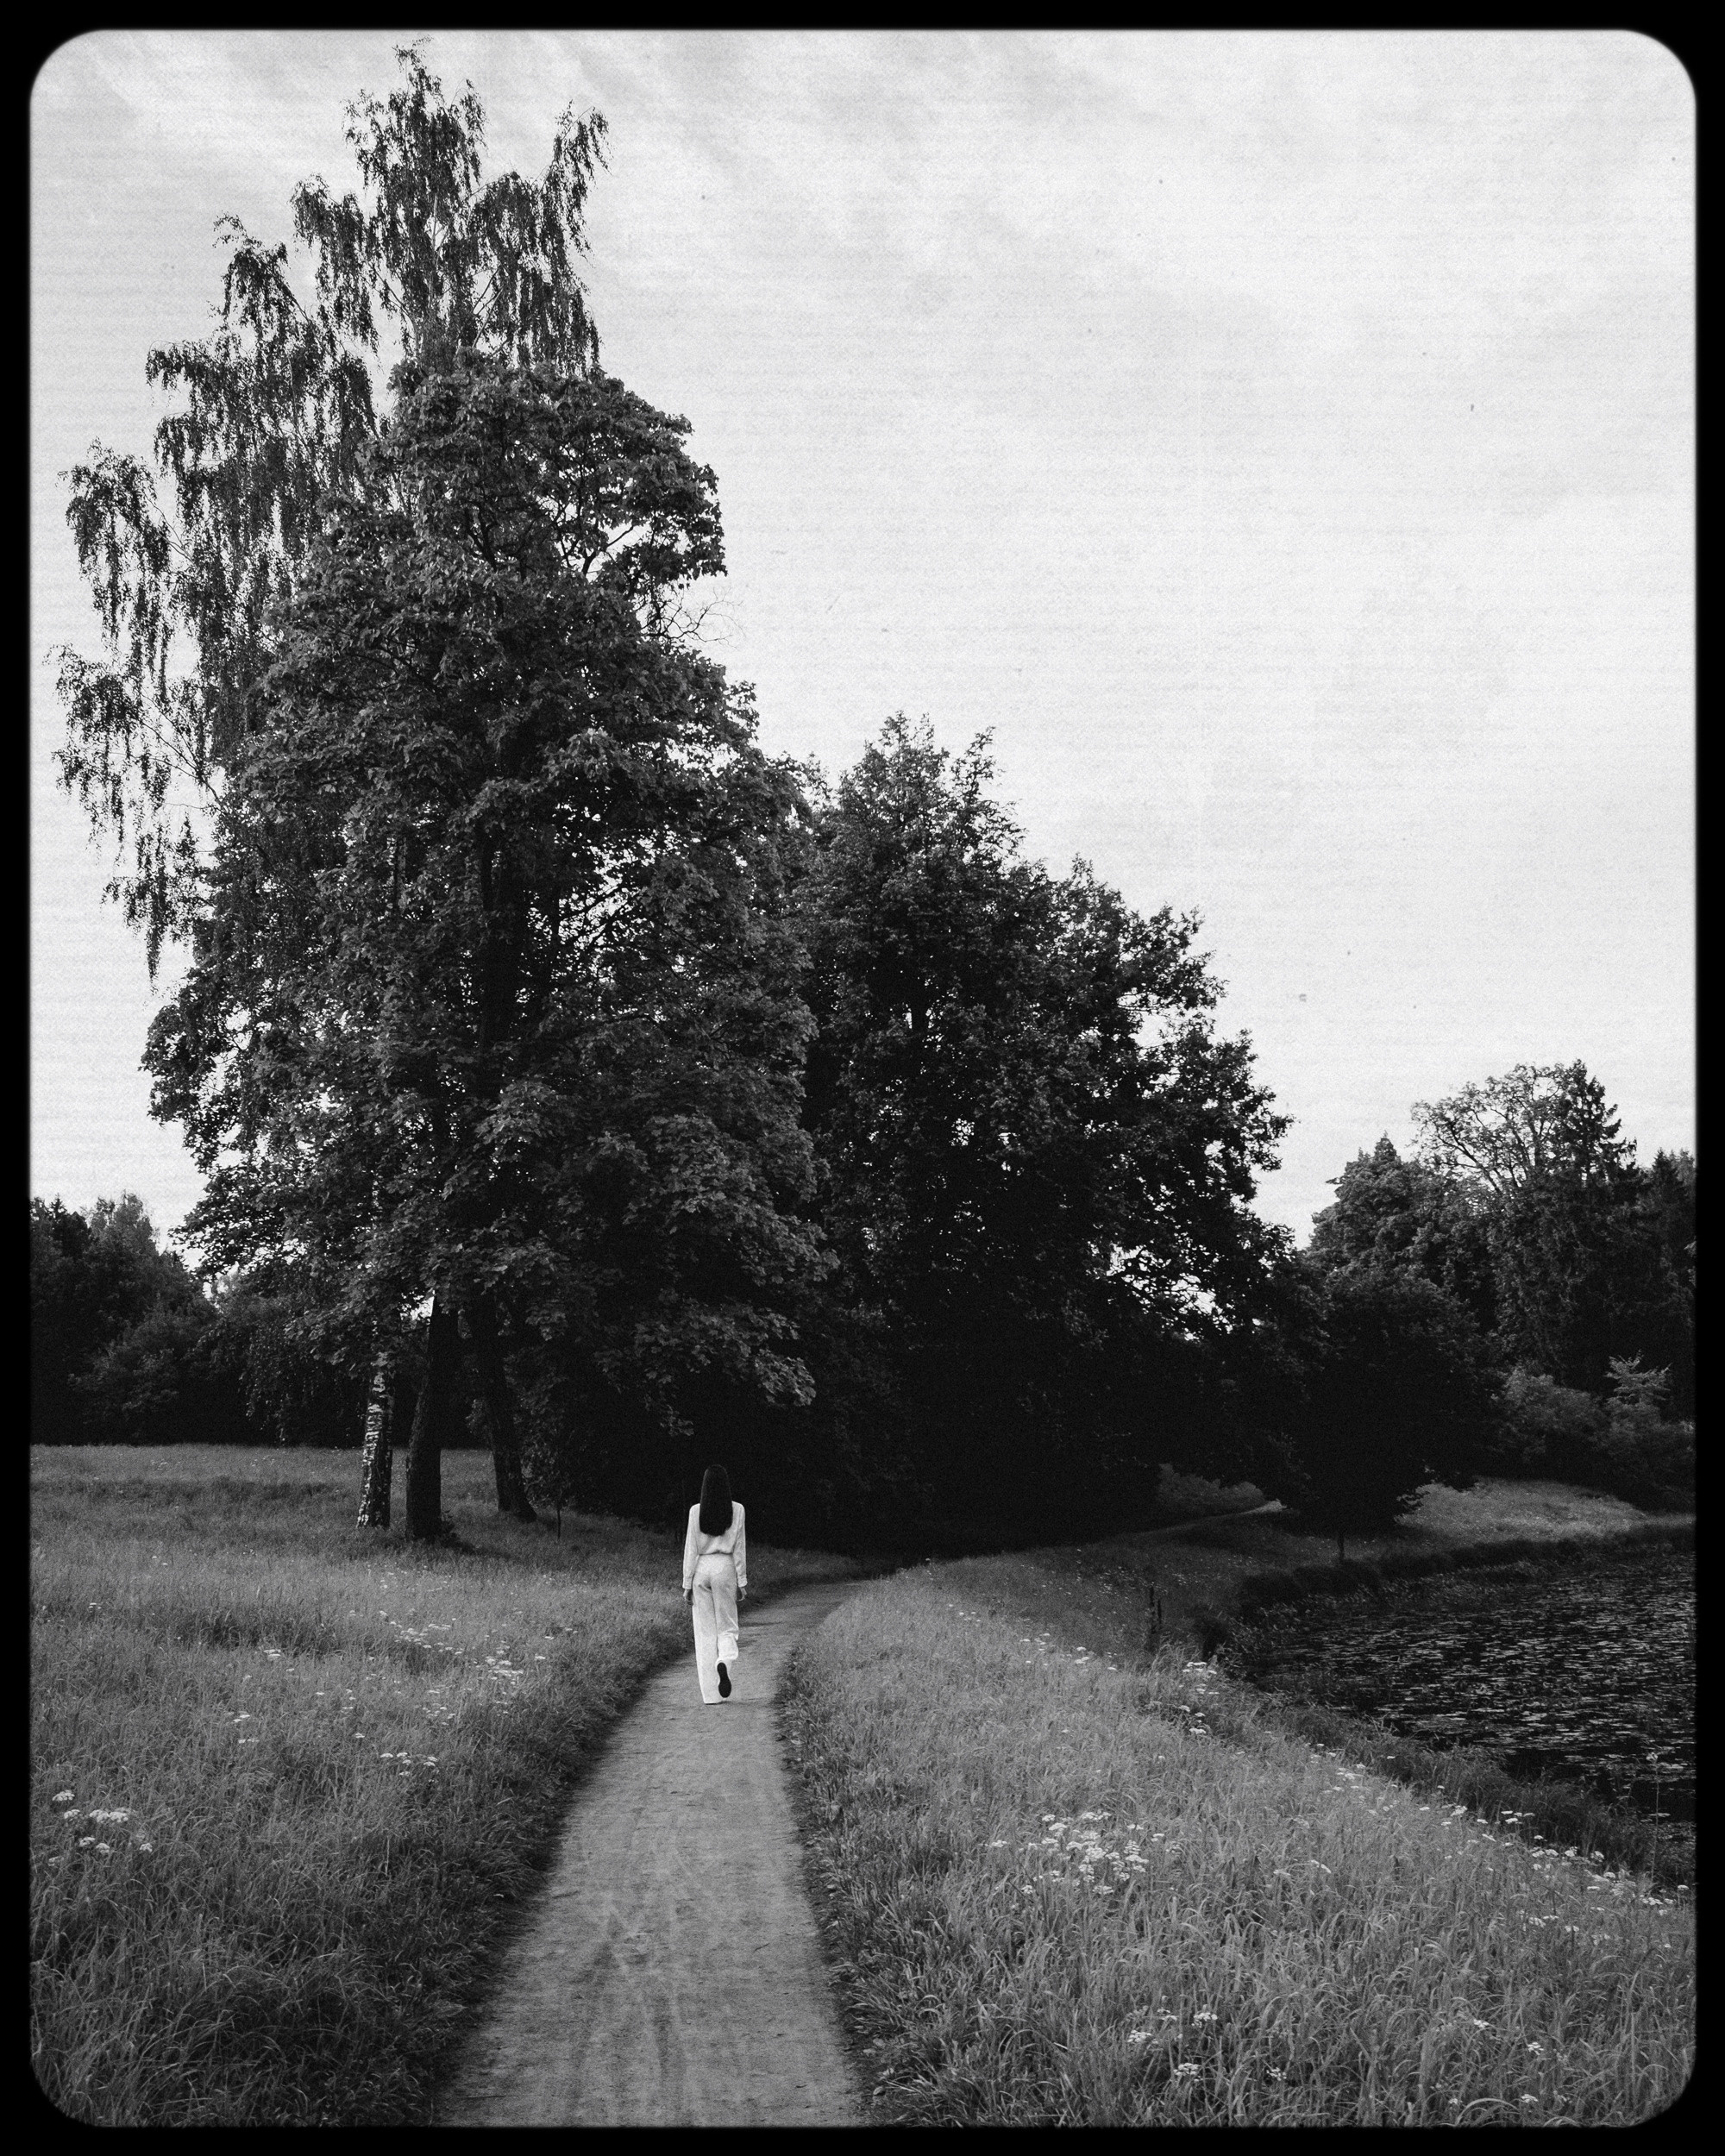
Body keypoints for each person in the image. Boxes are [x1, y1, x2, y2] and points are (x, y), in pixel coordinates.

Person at [683, 1464, 747, 1703]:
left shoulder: (695, 1511)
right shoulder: (738, 1510)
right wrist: (742, 1580)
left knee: (704, 1632)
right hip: (725, 1568)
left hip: (701, 1569)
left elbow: (690, 1549)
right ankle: (725, 1661)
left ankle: (711, 1696)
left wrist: (687, 1583)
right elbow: (739, 1548)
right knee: (727, 1626)